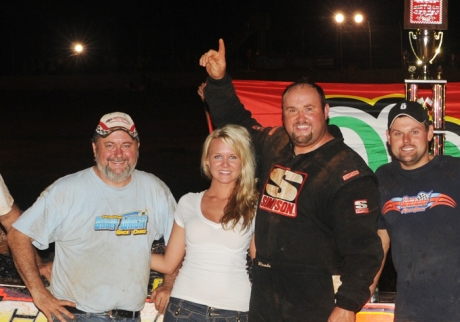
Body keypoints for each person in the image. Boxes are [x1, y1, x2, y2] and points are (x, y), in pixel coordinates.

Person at [198, 39, 383, 322]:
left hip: (315, 298)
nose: (300, 118)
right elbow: (237, 123)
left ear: (326, 111)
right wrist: (219, 81)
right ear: (283, 114)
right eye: (292, 110)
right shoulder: (276, 144)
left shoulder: (348, 173)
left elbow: (364, 251)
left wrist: (347, 305)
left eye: (309, 109)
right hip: (266, 293)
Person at [8, 112, 177, 322]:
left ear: (137, 148)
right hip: (76, 315)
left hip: (130, 316)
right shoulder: (67, 190)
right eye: (109, 145)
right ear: (95, 148)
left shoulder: (155, 189)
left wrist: (168, 285)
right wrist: (39, 293)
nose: (118, 153)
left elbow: (179, 243)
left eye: (126, 145)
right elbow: (17, 235)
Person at [150, 124, 257, 322]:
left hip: (234, 312)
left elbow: (261, 264)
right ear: (207, 161)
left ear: (243, 162)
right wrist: (125, 251)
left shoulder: (254, 206)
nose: (225, 164)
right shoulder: (188, 202)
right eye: (218, 156)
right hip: (183, 308)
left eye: (233, 157)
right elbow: (168, 263)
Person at [372, 100, 460, 321]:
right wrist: (358, 297)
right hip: (410, 310)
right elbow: (379, 244)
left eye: (414, 131)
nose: (406, 141)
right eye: (398, 133)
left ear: (430, 133)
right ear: (388, 136)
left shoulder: (454, 171)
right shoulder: (383, 178)